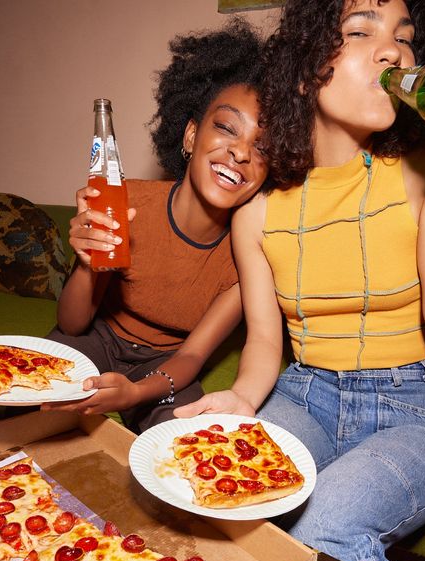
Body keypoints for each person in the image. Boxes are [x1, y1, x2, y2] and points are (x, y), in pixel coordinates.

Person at [175, 0, 425, 561]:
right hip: (307, 392)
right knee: (222, 503)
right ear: (303, 68)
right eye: (359, 31)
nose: (393, 50)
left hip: (418, 407)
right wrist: (243, 397)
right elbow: (266, 337)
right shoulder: (259, 213)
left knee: (325, 529)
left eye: (404, 37)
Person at [42, 19, 270, 433]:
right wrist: (87, 262)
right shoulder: (124, 200)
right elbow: (73, 324)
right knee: (33, 399)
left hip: (167, 364)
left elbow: (192, 358)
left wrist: (134, 393)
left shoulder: (248, 253)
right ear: (190, 134)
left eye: (262, 146)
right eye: (226, 128)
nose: (240, 152)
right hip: (97, 337)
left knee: (185, 443)